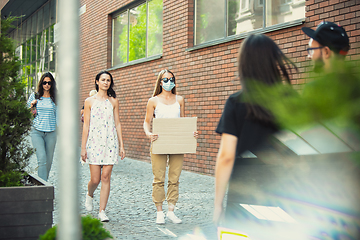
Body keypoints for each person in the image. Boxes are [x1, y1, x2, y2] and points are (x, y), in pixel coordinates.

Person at [213, 34, 296, 225]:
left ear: (245, 64)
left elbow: (226, 156)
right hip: (284, 196)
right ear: (274, 61)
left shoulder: (236, 102)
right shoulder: (292, 100)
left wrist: (218, 204)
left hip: (244, 197)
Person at [143, 69, 198, 224]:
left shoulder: (179, 99)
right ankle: (159, 212)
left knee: (174, 178)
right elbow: (147, 121)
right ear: (160, 82)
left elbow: (183, 122)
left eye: (171, 79)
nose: (169, 82)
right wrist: (148, 133)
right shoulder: (153, 101)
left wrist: (191, 133)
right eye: (165, 79)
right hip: (159, 141)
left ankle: (171, 211)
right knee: (158, 178)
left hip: (177, 143)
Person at [81, 70, 125, 222]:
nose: (106, 82)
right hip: (94, 143)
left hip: (110, 143)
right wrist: (83, 147)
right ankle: (90, 194)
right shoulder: (89, 102)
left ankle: (102, 211)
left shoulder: (113, 101)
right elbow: (86, 125)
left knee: (106, 177)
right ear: (97, 82)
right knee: (95, 179)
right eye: (103, 80)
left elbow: (117, 123)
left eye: (108, 80)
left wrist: (121, 145)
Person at [27, 72, 58, 182]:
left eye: (49, 83)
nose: (47, 85)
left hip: (51, 133)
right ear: (41, 83)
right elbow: (27, 114)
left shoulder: (55, 98)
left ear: (52, 84)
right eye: (44, 82)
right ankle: (42, 187)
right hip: (37, 132)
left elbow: (59, 116)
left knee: (48, 161)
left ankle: (43, 182)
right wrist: (31, 106)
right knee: (42, 159)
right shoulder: (35, 96)